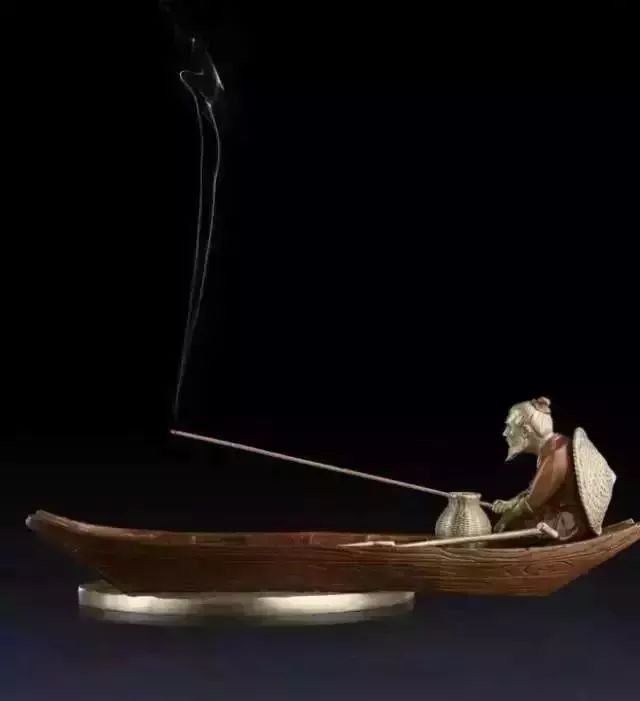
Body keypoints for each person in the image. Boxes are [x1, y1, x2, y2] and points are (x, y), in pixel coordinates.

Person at [491, 397, 616, 543]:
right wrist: (510, 503)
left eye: (510, 427)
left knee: (513, 526)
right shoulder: (555, 445)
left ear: (525, 431)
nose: (505, 433)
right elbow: (535, 491)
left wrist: (508, 516)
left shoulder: (556, 454)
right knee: (513, 519)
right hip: (558, 512)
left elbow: (532, 502)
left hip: (569, 523)